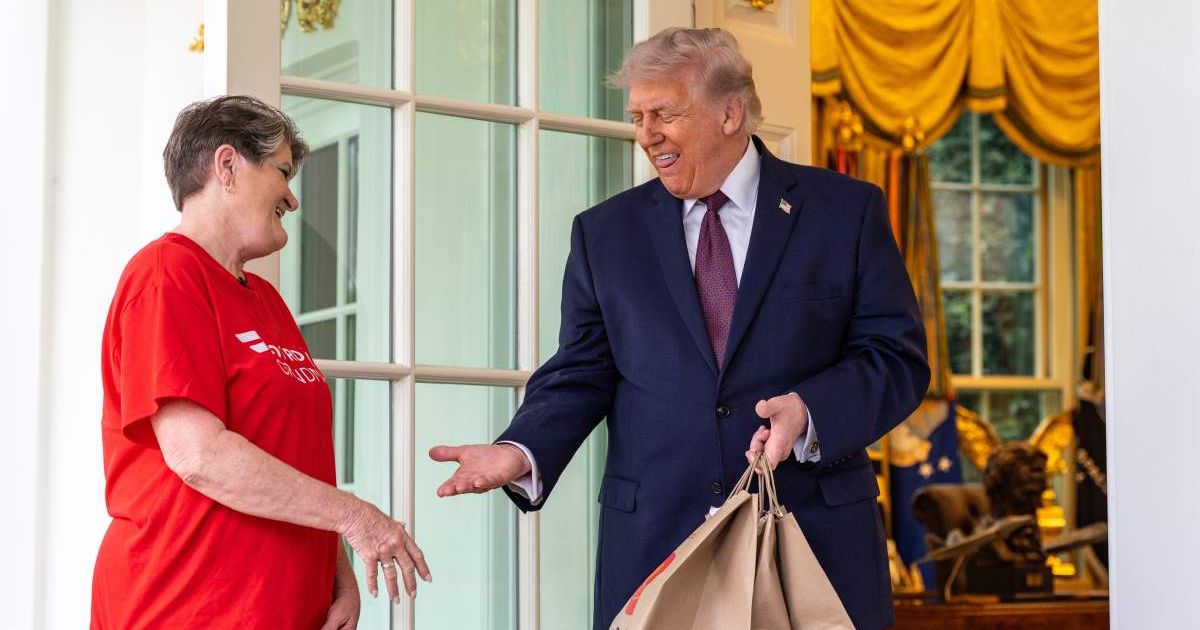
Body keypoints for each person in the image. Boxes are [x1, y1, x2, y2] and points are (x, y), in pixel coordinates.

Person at [430, 28, 929, 629]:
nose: (647, 135)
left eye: (664, 114)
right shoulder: (605, 234)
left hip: (814, 546)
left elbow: (895, 358)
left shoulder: (845, 212)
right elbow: (581, 370)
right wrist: (519, 449)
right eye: (638, 117)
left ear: (730, 112)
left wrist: (808, 411)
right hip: (654, 547)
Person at [91, 95, 430, 630]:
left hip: (281, 609)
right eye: (282, 172)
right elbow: (199, 455)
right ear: (227, 166)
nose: (292, 199)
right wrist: (354, 517)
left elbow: (290, 455)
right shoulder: (166, 276)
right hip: (186, 608)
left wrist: (335, 573)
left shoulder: (266, 301)